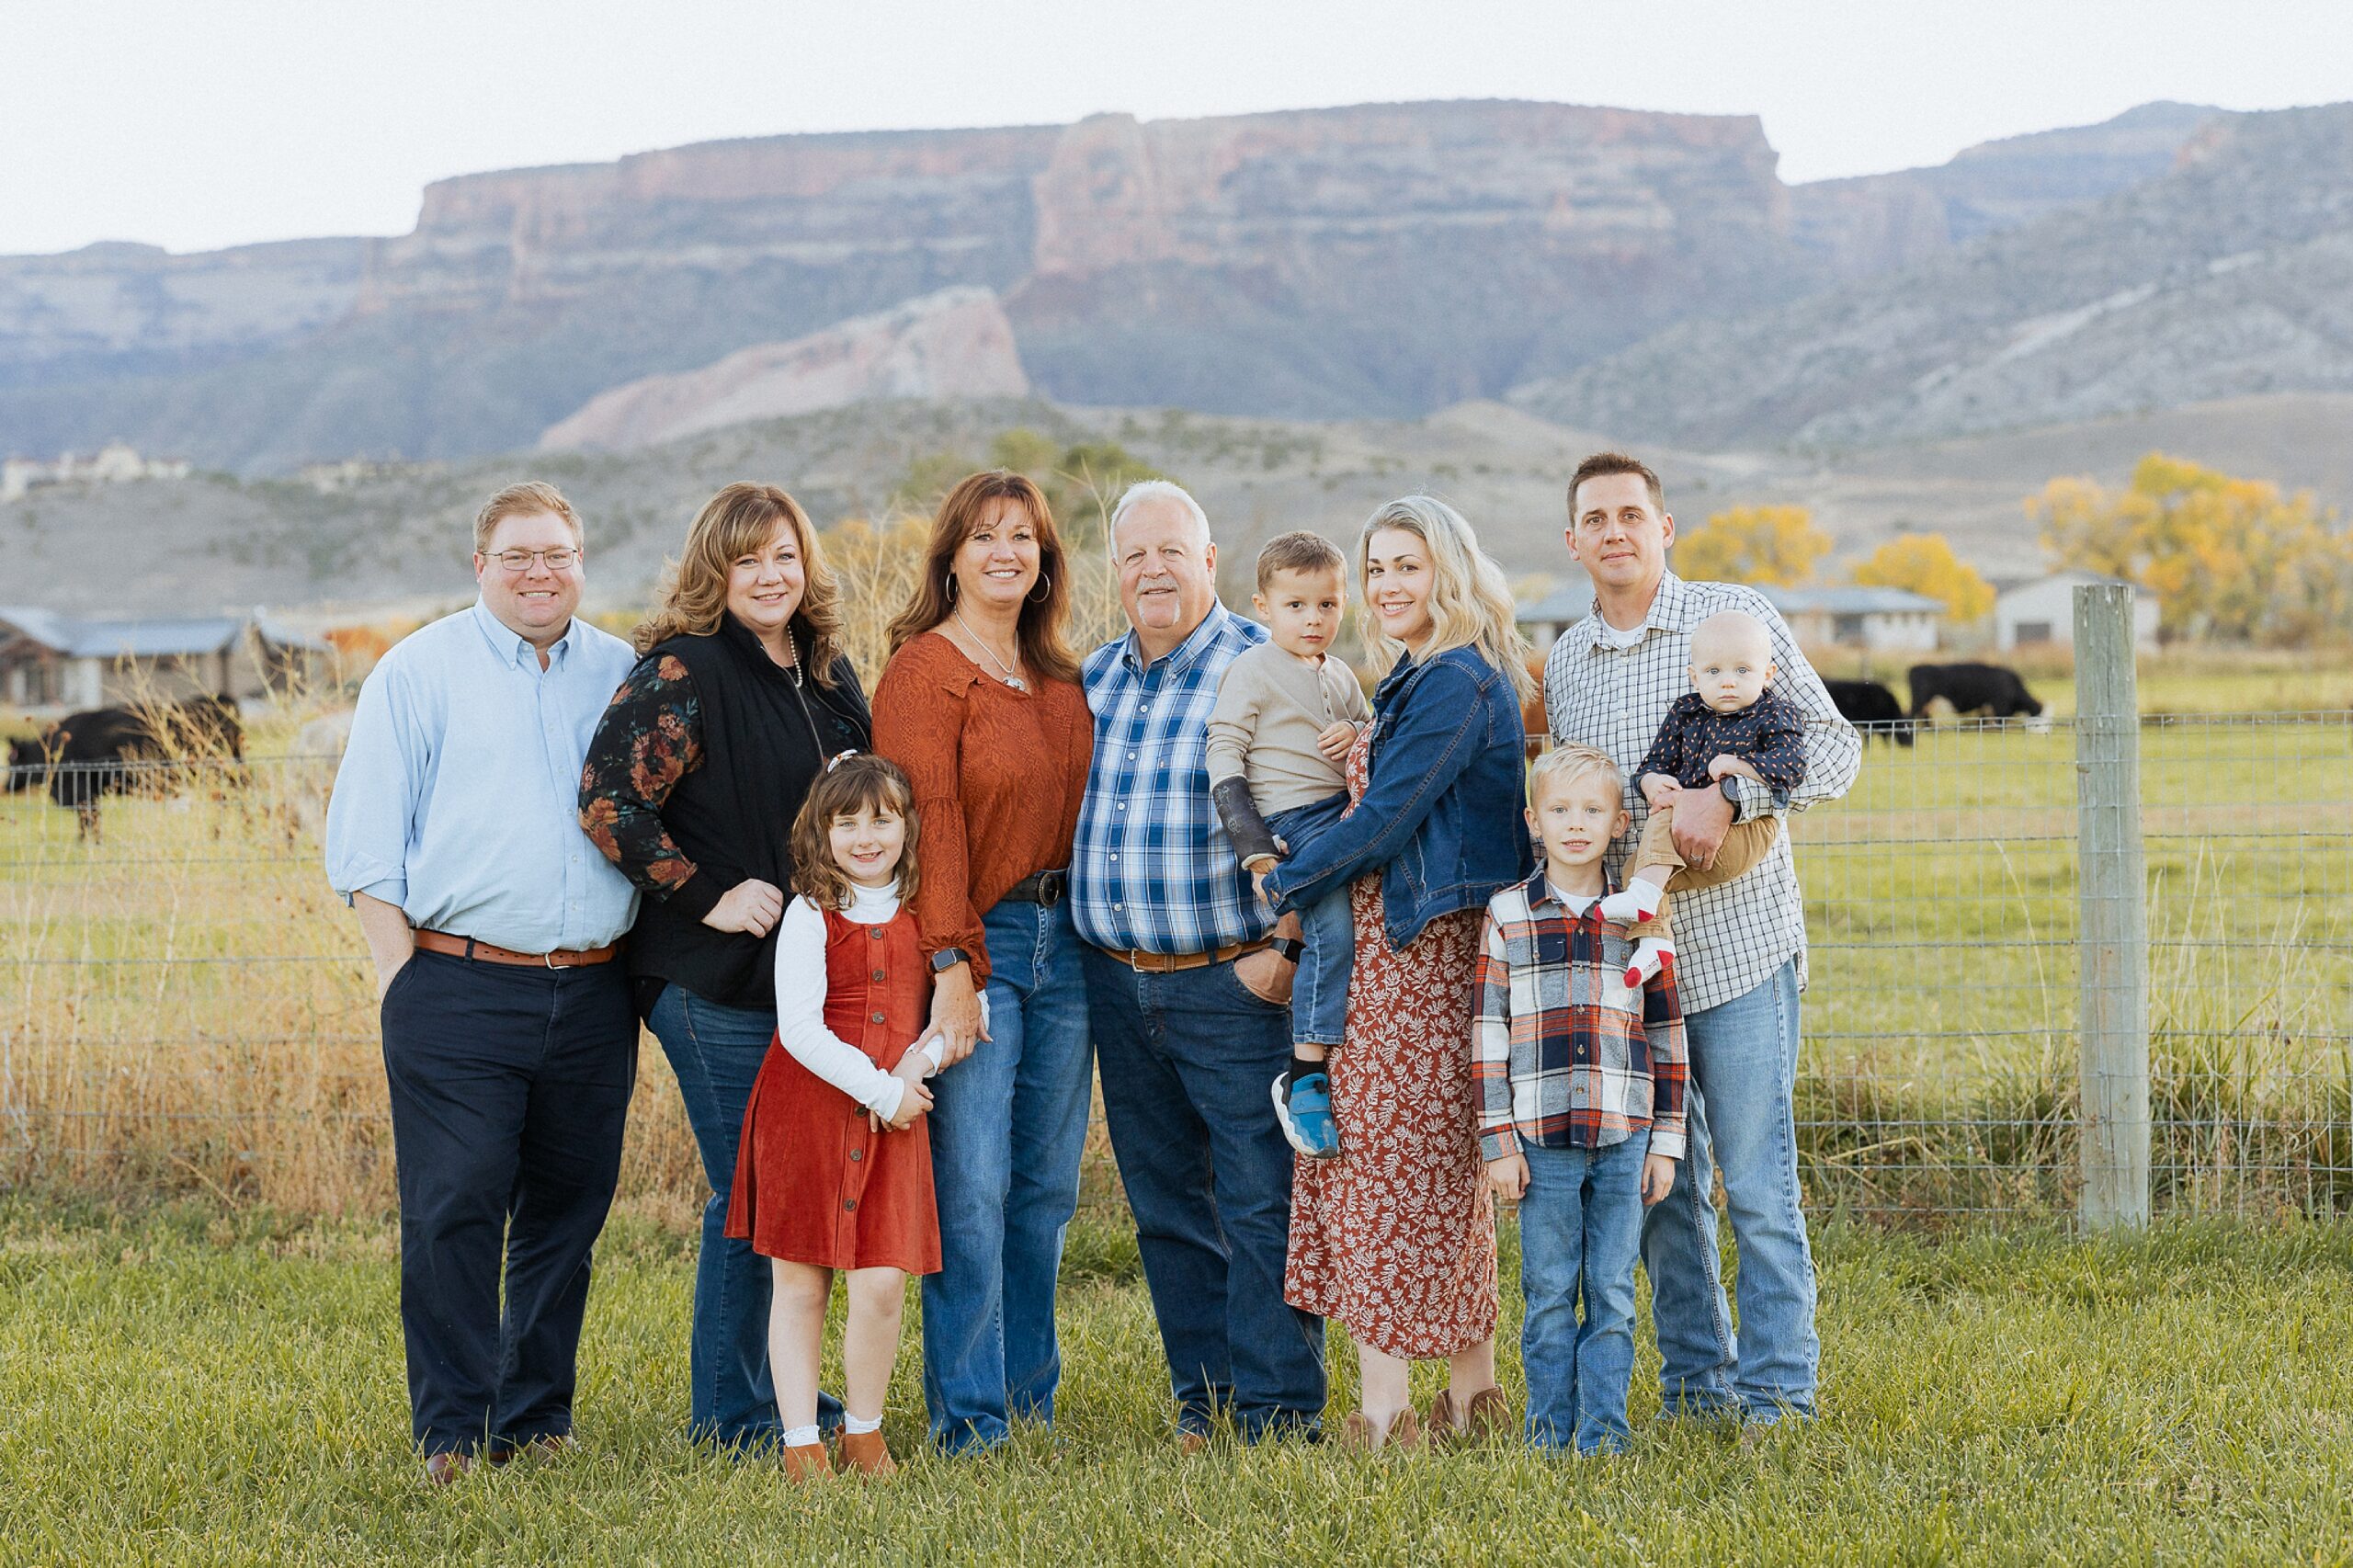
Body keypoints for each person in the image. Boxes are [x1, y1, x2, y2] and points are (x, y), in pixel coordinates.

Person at [324, 481, 640, 1484]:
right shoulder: (419, 670)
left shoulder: (624, 672)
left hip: (595, 988)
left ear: (581, 561)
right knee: (454, 1204)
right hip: (455, 982)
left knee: (569, 1204)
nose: (539, 572)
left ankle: (538, 1416)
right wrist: (397, 979)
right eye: (518, 556)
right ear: (481, 566)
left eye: (556, 554)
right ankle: (453, 1430)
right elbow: (367, 843)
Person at [1543, 450, 1859, 1429]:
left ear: (1664, 526)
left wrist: (1730, 793)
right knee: (1664, 1189)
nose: (1614, 532)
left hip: (1742, 952)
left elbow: (1836, 752)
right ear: (1572, 541)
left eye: (1631, 514)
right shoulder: (1563, 661)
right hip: (1634, 970)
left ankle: (1777, 1397)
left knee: (1759, 1184)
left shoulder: (1735, 618)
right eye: (1594, 518)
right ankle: (1697, 1386)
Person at [578, 483, 870, 1451]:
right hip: (709, 978)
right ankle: (732, 1414)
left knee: (784, 1188)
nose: (769, 574)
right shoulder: (682, 669)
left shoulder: (828, 673)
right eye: (747, 559)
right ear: (715, 569)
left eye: (783, 555)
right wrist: (708, 892)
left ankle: (774, 1394)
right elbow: (609, 801)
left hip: (805, 983)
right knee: (749, 1186)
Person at [1263, 495, 1536, 1451]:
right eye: (1374, 568)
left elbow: (1386, 820)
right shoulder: (1422, 675)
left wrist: (1282, 886)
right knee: (1434, 1167)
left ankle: (1385, 1411)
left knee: (1380, 1165)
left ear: (1448, 572)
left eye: (1405, 566)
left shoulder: (1456, 679)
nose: (1385, 585)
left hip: (1413, 952)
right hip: (1412, 942)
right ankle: (1474, 1393)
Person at [1071, 480, 1327, 1448]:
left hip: (1234, 978)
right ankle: (1204, 1400)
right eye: (1134, 554)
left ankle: (1279, 1409)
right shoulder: (1093, 679)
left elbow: (1318, 827)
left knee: (1261, 1198)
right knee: (1167, 1203)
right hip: (1118, 979)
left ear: (1210, 562)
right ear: (1116, 568)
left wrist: (1285, 950)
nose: (1152, 570)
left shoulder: (1266, 667)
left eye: (1171, 551)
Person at [870, 471, 1096, 1454]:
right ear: (951, 555)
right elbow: (931, 824)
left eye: (1025, 536)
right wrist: (953, 964)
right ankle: (969, 1412)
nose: (1006, 551)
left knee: (1045, 1189)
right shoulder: (923, 672)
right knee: (971, 1185)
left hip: (1071, 944)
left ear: (1046, 558)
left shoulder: (1062, 677)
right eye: (985, 535)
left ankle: (1028, 1392)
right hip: (981, 941)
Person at [726, 755, 946, 1482]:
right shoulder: (810, 914)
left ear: (907, 825)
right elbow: (800, 1031)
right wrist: (883, 1092)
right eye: (845, 822)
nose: (865, 836)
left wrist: (920, 1064)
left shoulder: (927, 910)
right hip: (809, 1113)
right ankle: (799, 1442)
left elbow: (960, 1013)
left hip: (896, 1114)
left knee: (882, 1283)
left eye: (881, 818)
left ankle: (863, 1429)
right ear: (820, 832)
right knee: (803, 1283)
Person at [1475, 744, 1688, 1456]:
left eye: (1592, 810)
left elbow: (1665, 1029)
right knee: (1547, 1293)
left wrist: (1666, 1140)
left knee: (1614, 1293)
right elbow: (1487, 1035)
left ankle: (1603, 1435)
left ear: (1619, 821)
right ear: (1534, 821)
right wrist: (1498, 1144)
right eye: (1560, 811)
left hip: (1625, 1132)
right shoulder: (1507, 914)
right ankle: (1548, 1433)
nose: (1576, 825)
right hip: (1540, 1140)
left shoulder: (1639, 917)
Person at [1205, 530, 1370, 1161]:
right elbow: (1223, 755)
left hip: (1347, 813)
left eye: (1327, 605)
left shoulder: (1340, 674)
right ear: (1263, 607)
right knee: (1331, 926)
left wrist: (1356, 730)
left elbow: (1368, 730)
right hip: (1295, 821)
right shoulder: (1251, 671)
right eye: (1297, 605)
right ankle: (1306, 1072)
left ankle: (1360, 1051)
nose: (1314, 619)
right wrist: (1257, 852)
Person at [1599, 608, 1810, 986]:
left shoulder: (1773, 713)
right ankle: (1655, 942)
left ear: (1768, 674)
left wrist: (1738, 765)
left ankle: (1646, 899)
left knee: (1658, 839)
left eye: (1742, 671)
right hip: (1681, 827)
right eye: (1714, 672)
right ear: (1695, 676)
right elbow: (1655, 762)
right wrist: (1651, 783)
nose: (1728, 682)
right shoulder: (1686, 713)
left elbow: (1792, 766)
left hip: (1744, 832)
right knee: (1636, 868)